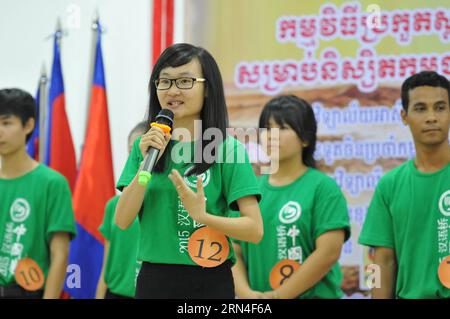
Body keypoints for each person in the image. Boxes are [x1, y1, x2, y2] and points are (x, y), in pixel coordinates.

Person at [114, 43, 263, 299]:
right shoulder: (145, 146)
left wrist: (202, 216)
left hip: (210, 279)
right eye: (165, 82)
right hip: (155, 279)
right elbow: (122, 220)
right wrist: (144, 167)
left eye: (185, 81)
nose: (173, 90)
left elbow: (254, 229)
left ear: (208, 89)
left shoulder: (228, 149)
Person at [232, 95, 350, 299]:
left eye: (283, 128)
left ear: (305, 138)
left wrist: (278, 296)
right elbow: (234, 250)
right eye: (267, 129)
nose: (272, 136)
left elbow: (328, 252)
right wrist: (247, 294)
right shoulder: (249, 191)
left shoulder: (323, 188)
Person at [359, 71, 450, 299]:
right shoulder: (389, 185)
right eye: (420, 108)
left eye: (440, 107)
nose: (431, 117)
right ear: (404, 116)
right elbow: (376, 261)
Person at [0, 88, 76, 299]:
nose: (0, 131)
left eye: (6, 123)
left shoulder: (52, 183)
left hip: (27, 292)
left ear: (29, 125)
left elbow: (59, 254)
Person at [96, 121, 147, 299]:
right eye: (134, 148)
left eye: (147, 149)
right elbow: (107, 264)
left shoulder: (170, 204)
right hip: (115, 294)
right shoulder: (113, 206)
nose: (140, 154)